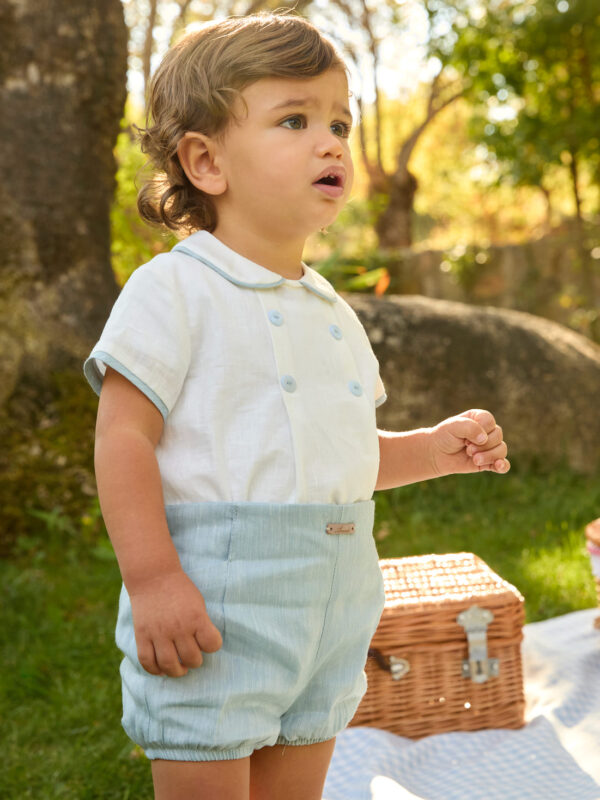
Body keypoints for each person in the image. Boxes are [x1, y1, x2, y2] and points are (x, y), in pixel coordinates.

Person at [83, 11, 510, 800]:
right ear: (205, 161)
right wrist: (153, 580)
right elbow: (123, 437)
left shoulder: (333, 310)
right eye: (295, 119)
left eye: (340, 122)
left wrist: (432, 448)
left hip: (334, 606)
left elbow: (339, 453)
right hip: (214, 608)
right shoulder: (175, 289)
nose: (333, 142)